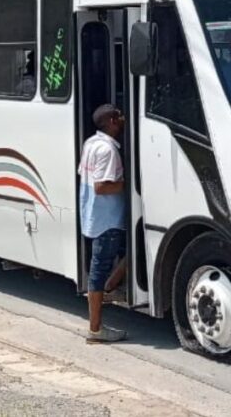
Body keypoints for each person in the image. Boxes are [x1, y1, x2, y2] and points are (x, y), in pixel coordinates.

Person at [78, 103, 129, 343]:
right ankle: (95, 330)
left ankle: (110, 287)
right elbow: (101, 186)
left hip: (94, 216)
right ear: (110, 122)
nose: (122, 119)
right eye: (119, 116)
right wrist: (131, 184)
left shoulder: (91, 143)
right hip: (107, 220)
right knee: (96, 273)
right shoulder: (108, 150)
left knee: (131, 253)